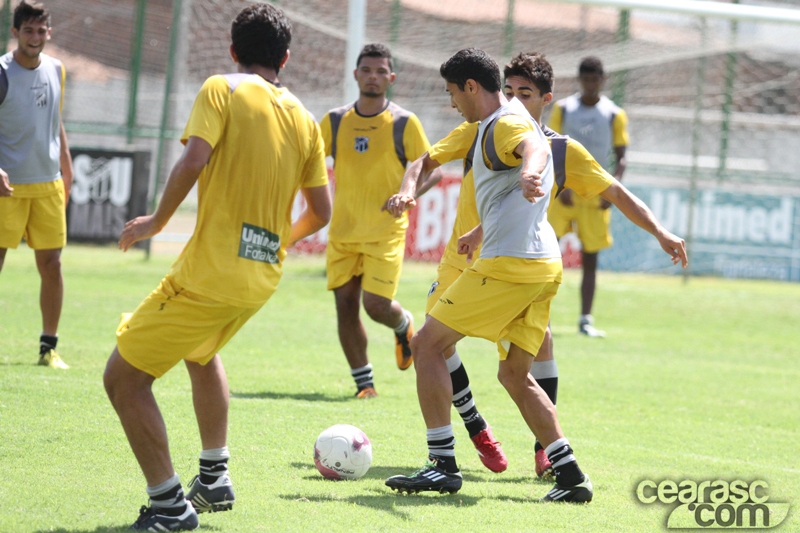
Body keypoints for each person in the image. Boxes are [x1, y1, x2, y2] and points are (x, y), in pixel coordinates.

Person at [102, 5, 331, 531]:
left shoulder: (222, 88)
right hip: (259, 278)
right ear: (286, 58)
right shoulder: (304, 116)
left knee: (123, 380)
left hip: (210, 275)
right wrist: (277, 244)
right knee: (202, 353)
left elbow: (193, 159)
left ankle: (169, 507)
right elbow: (322, 212)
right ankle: (214, 476)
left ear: (232, 51)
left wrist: (157, 221)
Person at [383, 47, 593, 502]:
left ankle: (441, 463)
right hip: (543, 265)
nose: (451, 101)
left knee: (426, 345)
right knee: (515, 374)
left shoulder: (504, 123)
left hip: (510, 264)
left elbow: (534, 148)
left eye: (453, 92)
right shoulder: (496, 123)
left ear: (471, 87)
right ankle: (570, 472)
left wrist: (531, 173)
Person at [319, 43, 437, 398]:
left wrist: (409, 194)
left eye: (381, 71)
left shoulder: (404, 122)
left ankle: (403, 324)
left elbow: (431, 168)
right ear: (355, 74)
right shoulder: (336, 120)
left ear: (391, 78)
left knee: (375, 306)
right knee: (344, 306)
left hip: (385, 232)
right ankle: (364, 384)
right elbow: (310, 162)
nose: (373, 76)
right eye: (367, 70)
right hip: (343, 231)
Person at [0, 0, 73, 369]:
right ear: (15, 32)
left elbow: (55, 124)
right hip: (6, 187)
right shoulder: (1, 72)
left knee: (53, 265)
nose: (34, 36)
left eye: (40, 30)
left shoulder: (57, 70)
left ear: (49, 32)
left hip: (48, 185)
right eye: (27, 30)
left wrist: (67, 169)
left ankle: (48, 348)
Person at [549, 56, 629, 337]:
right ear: (580, 80)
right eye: (586, 79)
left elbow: (621, 158)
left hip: (596, 194)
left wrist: (613, 191)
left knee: (591, 258)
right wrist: (562, 184)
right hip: (564, 193)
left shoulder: (613, 113)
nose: (591, 84)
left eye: (596, 79)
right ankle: (541, 314)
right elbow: (551, 148)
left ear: (603, 80)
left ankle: (585, 319)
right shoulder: (563, 109)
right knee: (547, 253)